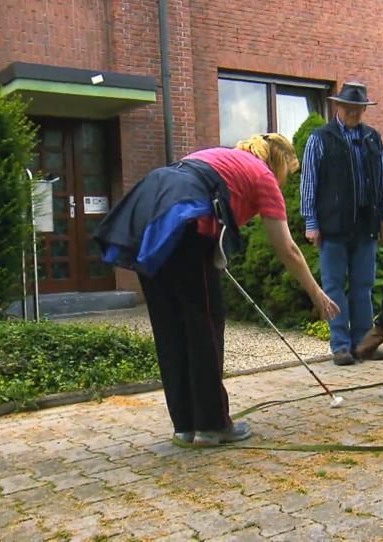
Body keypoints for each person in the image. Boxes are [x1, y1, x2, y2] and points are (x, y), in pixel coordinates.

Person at [94, 134, 340, 446]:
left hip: (148, 210)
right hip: (184, 222)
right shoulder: (263, 176)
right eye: (287, 173)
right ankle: (212, 425)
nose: (284, 181)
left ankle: (184, 425)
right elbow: (287, 249)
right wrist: (316, 292)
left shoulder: (221, 157)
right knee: (204, 324)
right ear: (278, 164)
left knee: (171, 326)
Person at [300, 81, 383, 366]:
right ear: (337, 106)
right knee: (333, 287)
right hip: (332, 226)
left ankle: (362, 344)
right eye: (349, 108)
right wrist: (311, 222)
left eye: (358, 108)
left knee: (363, 286)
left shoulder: (373, 138)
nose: (353, 113)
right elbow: (308, 183)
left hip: (366, 224)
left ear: (364, 109)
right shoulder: (320, 138)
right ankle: (340, 345)